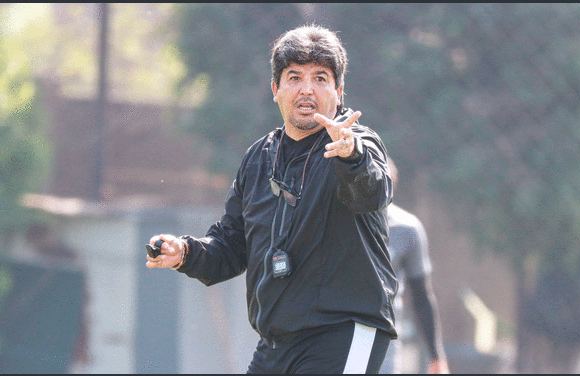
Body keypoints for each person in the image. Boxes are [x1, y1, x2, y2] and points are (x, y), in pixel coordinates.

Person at [146, 24, 397, 374]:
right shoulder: (258, 157)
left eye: (320, 78)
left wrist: (352, 154)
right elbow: (232, 246)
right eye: (294, 77)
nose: (307, 89)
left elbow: (372, 192)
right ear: (275, 89)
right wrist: (185, 252)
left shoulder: (355, 142)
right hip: (276, 342)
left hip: (344, 332)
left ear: (339, 91)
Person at [378, 158, 449, 374]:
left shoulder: (406, 229)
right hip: (333, 335)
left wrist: (436, 356)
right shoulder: (333, 223)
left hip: (382, 336)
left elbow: (421, 296)